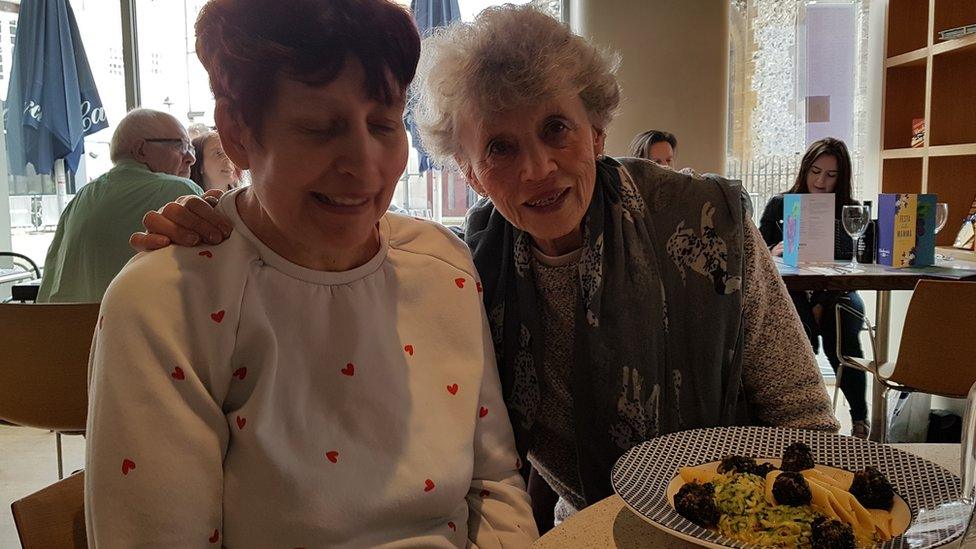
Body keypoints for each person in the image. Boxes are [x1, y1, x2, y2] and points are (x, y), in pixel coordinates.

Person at [131, 4, 839, 531]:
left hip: (752, 519)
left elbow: (803, 413)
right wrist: (220, 217)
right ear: (468, 171)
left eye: (556, 129)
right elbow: (328, 231)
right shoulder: (465, 265)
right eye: (499, 148)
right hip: (593, 532)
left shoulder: (704, 228)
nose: (537, 167)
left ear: (597, 130)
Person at [85, 0, 537, 546]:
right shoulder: (165, 304)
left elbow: (495, 484)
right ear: (237, 132)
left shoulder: (444, 266)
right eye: (320, 129)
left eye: (383, 124)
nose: (364, 165)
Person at [758, 137, 869, 439]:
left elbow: (851, 264)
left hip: (837, 292)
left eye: (831, 175)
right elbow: (758, 256)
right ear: (805, 170)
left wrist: (823, 298)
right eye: (816, 171)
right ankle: (803, 420)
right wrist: (774, 250)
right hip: (791, 293)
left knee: (844, 328)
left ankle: (860, 420)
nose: (821, 181)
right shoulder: (780, 205)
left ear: (841, 177)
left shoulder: (850, 210)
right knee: (795, 328)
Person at [35, 108, 201, 303]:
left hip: (61, 329)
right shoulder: (180, 191)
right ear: (141, 150)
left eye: (191, 148)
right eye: (180, 146)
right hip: (132, 329)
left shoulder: (82, 196)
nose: (191, 157)